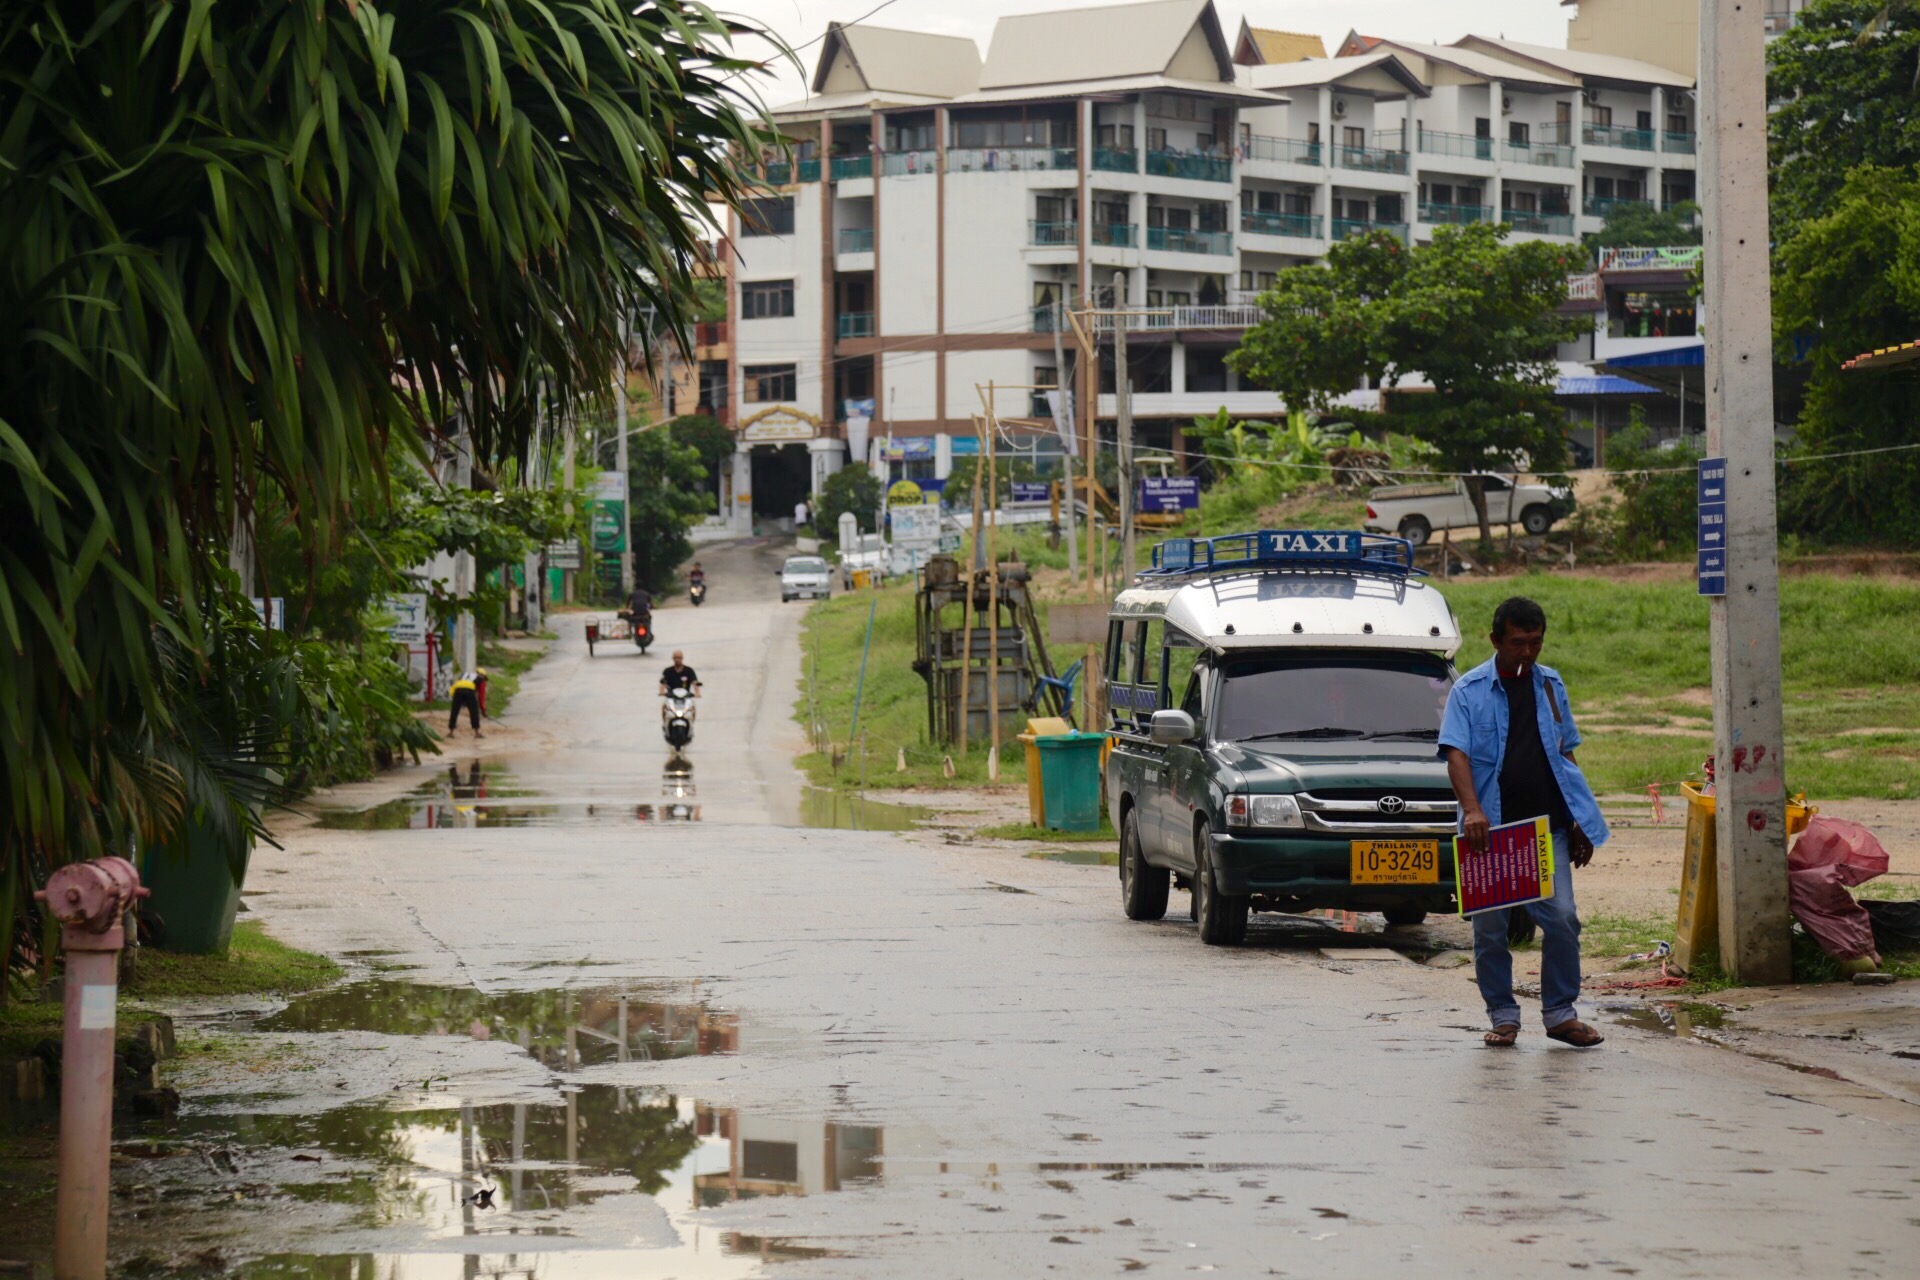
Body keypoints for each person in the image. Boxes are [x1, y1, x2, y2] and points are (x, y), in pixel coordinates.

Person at [1438, 597, 1608, 1049]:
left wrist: (1577, 822)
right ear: (1496, 640)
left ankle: (1559, 1013)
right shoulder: (1468, 691)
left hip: (1544, 830)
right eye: (1518, 643)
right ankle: (1503, 1014)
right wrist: (1472, 810)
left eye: (1535, 643)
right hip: (1489, 834)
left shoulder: (1551, 686)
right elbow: (1456, 754)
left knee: (1562, 918)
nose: (1527, 653)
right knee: (1491, 929)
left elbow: (1566, 754)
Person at [660, 650, 701, 721]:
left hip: (685, 696)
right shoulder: (668, 671)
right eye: (675, 658)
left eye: (679, 657)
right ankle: (665, 723)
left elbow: (694, 683)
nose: (677, 659)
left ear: (682, 658)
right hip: (672, 696)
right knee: (664, 707)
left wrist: (697, 692)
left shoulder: (689, 670)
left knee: (692, 707)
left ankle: (691, 723)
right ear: (673, 658)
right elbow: (663, 683)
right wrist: (661, 691)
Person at [448, 669, 487, 739]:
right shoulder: (481, 679)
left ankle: (451, 732)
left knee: (454, 711)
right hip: (469, 692)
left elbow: (457, 684)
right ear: (483, 675)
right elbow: (481, 696)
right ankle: (477, 733)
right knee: (474, 712)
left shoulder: (464, 674)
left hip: (457, 690)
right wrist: (483, 710)